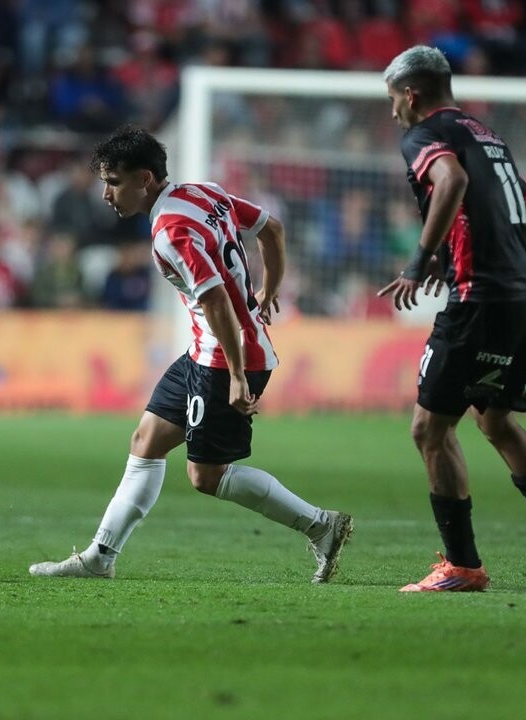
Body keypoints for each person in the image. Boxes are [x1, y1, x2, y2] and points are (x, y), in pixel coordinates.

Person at [29, 126, 353, 582]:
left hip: (227, 357)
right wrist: (270, 288)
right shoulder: (202, 192)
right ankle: (100, 558)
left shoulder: (170, 231)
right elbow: (272, 230)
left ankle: (322, 525)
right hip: (206, 350)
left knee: (207, 476)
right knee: (146, 441)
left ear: (144, 179)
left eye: (114, 182)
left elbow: (217, 300)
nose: (106, 194)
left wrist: (238, 374)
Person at [376, 46, 526, 592]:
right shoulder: (488, 136)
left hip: (481, 302)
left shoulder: (425, 135)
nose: (392, 114)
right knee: (494, 419)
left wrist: (422, 260)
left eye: (391, 101)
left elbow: (449, 183)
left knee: (429, 429)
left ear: (410, 95)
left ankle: (462, 566)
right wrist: (470, 249)